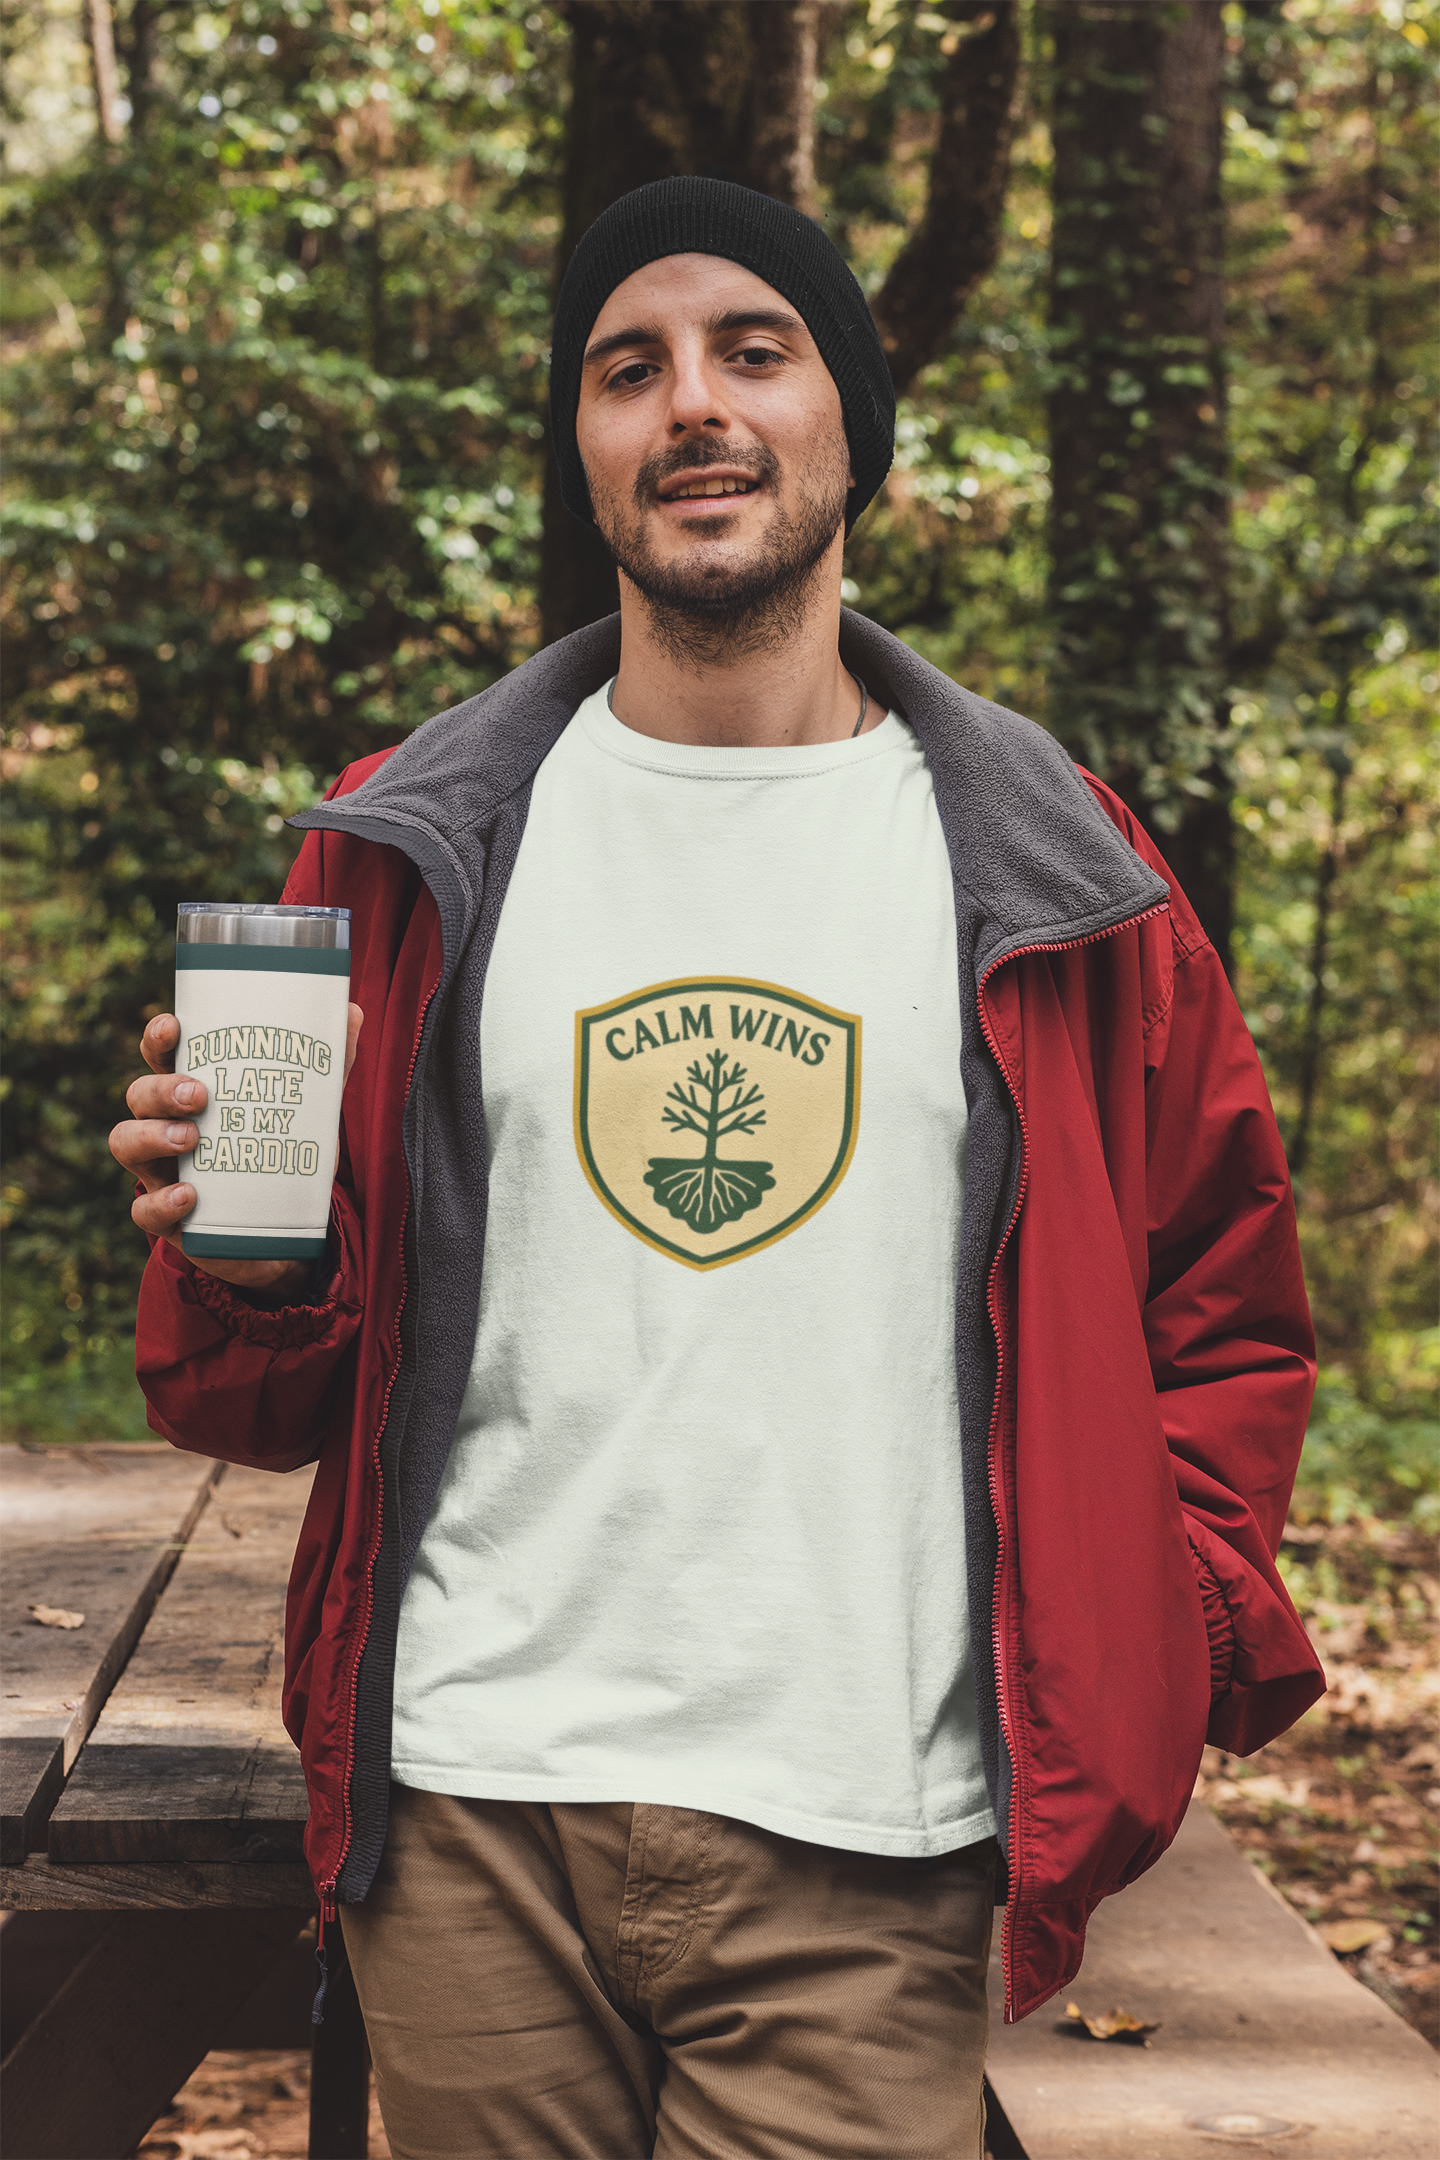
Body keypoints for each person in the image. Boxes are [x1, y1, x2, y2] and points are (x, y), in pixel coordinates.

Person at [112, 178, 1325, 2159]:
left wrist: (1152, 1632)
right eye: (628, 365)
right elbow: (262, 1398)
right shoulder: (414, 846)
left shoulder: (1055, 874)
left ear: (848, 418)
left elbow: (1223, 1312)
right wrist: (238, 1262)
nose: (694, 402)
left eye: (755, 351)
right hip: (473, 1814)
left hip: (878, 1830)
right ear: (582, 442)